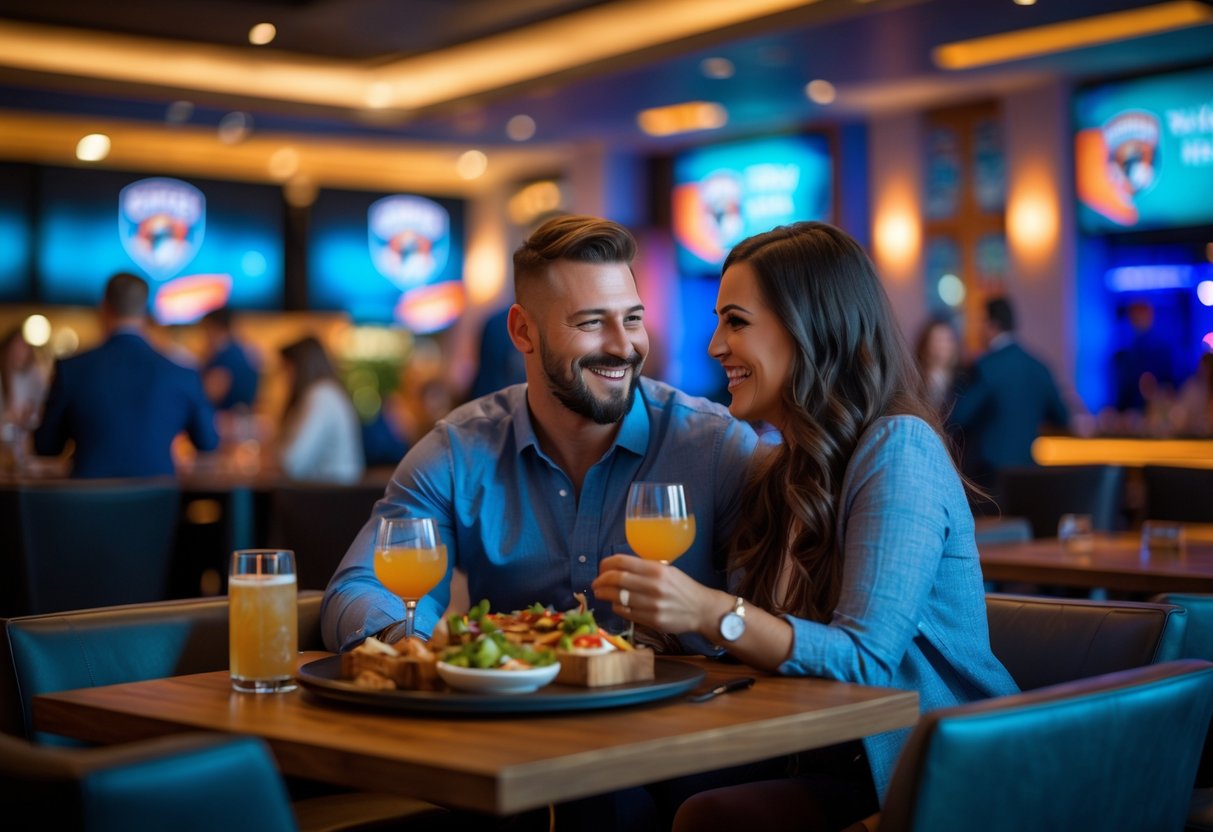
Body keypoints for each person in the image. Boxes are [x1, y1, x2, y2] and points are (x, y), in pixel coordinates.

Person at [592, 222, 1019, 832]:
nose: (716, 345)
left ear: (812, 328)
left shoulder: (899, 449)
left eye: (736, 322)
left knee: (709, 815)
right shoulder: (781, 466)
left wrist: (711, 610)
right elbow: (769, 642)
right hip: (823, 753)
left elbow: (867, 661)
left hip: (930, 774)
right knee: (617, 788)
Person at [322, 213, 757, 647]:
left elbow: (783, 618)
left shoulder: (716, 446)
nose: (624, 347)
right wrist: (409, 642)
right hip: (517, 709)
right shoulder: (459, 450)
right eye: (591, 322)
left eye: (632, 319)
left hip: (691, 711)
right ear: (522, 331)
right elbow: (359, 588)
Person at [33, 272, 219, 478]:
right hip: (157, 504)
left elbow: (46, 447)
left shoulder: (71, 369)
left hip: (87, 504)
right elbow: (208, 442)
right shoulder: (182, 373)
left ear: (103, 307)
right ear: (146, 312)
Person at [948, 296, 1070, 493]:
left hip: (989, 476)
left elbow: (960, 417)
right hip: (1028, 472)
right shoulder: (1038, 366)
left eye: (981, 322)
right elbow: (1062, 417)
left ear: (991, 324)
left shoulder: (986, 366)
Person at [276, 335, 364, 484]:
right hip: (332, 493)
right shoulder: (327, 392)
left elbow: (292, 463)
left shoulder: (321, 396)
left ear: (301, 366)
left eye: (287, 369)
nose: (284, 378)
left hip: (329, 497)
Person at [199, 306, 260, 413]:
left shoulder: (226, 358)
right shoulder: (242, 351)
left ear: (213, 328)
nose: (204, 337)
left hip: (226, 422)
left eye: (205, 330)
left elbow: (209, 395)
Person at [913, 316, 962, 418]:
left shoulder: (963, 380)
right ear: (925, 344)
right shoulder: (913, 379)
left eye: (947, 340)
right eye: (937, 340)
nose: (942, 346)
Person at [0, 326, 49, 428]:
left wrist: (29, 416)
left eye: (23, 346)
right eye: (16, 346)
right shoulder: (3, 375)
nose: (20, 351)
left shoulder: (35, 376)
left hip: (25, 438)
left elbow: (43, 407)